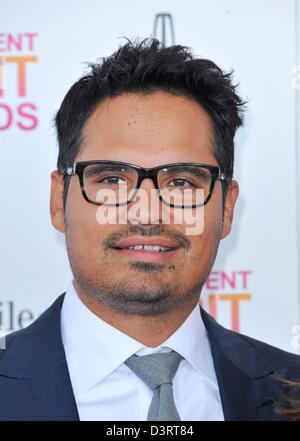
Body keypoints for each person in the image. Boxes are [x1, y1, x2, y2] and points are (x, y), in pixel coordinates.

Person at [0, 37, 299, 421]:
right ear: (59, 201)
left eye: (181, 183)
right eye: (111, 179)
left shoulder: (290, 389)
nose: (147, 213)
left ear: (226, 209)